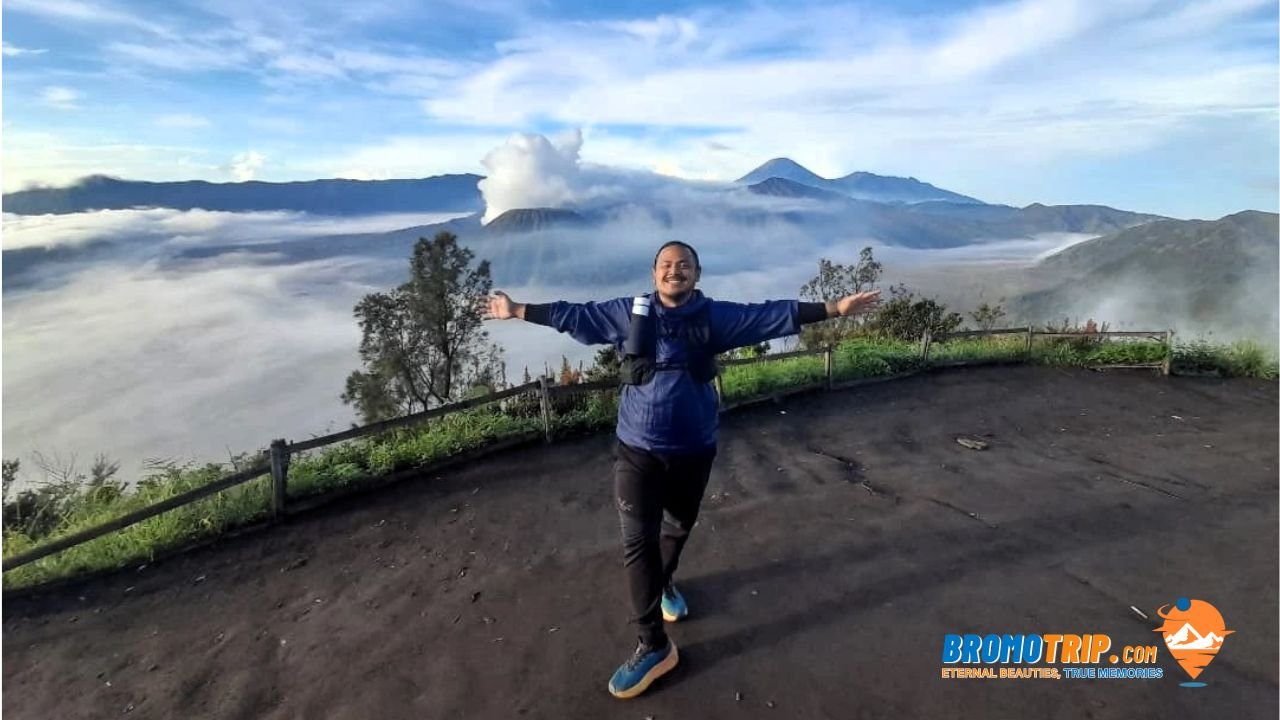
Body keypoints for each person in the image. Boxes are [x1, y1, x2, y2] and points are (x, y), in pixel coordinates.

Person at [481, 241, 880, 698]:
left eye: (683, 265)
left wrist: (834, 307)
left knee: (678, 526)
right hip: (638, 449)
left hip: (694, 447)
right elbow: (575, 315)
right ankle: (652, 643)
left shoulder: (714, 317)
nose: (675, 272)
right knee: (638, 542)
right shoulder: (629, 314)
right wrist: (516, 310)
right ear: (654, 274)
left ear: (697, 273)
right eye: (667, 265)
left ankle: (665, 580)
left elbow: (769, 314)